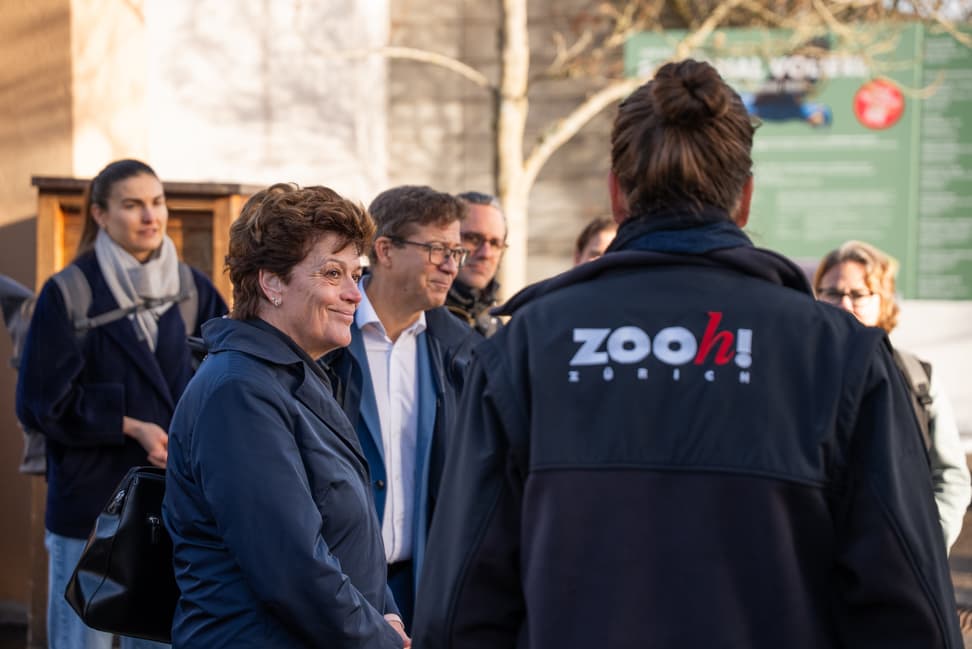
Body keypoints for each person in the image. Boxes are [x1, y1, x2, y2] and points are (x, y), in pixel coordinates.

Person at [412, 60, 962, 648]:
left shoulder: (524, 348)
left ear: (617, 194)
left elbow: (461, 609)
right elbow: (910, 613)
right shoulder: (838, 355)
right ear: (745, 198)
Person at [162, 183, 408, 649]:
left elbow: (343, 535)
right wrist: (379, 636)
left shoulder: (293, 375)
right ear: (271, 282)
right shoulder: (239, 391)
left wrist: (385, 612)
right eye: (333, 274)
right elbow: (290, 565)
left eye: (357, 275)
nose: (355, 295)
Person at [15, 159, 227, 649]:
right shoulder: (69, 292)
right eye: (132, 205)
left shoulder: (194, 290)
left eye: (156, 202)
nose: (150, 216)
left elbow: (225, 385)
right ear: (100, 215)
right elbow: (41, 404)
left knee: (155, 639)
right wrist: (131, 425)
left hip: (170, 507)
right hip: (89, 508)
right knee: (79, 641)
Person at [322, 185, 481, 630]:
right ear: (385, 250)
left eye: (456, 251)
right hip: (335, 585)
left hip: (425, 588)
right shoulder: (326, 337)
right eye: (436, 250)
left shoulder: (461, 350)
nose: (451, 265)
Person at [814, 240, 971, 551]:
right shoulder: (792, 373)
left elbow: (950, 475)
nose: (844, 304)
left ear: (883, 301)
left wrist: (925, 547)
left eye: (858, 294)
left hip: (893, 565)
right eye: (832, 292)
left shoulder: (916, 377)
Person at [445, 191, 506, 337]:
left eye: (495, 243)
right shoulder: (418, 319)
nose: (486, 253)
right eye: (473, 238)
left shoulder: (495, 324)